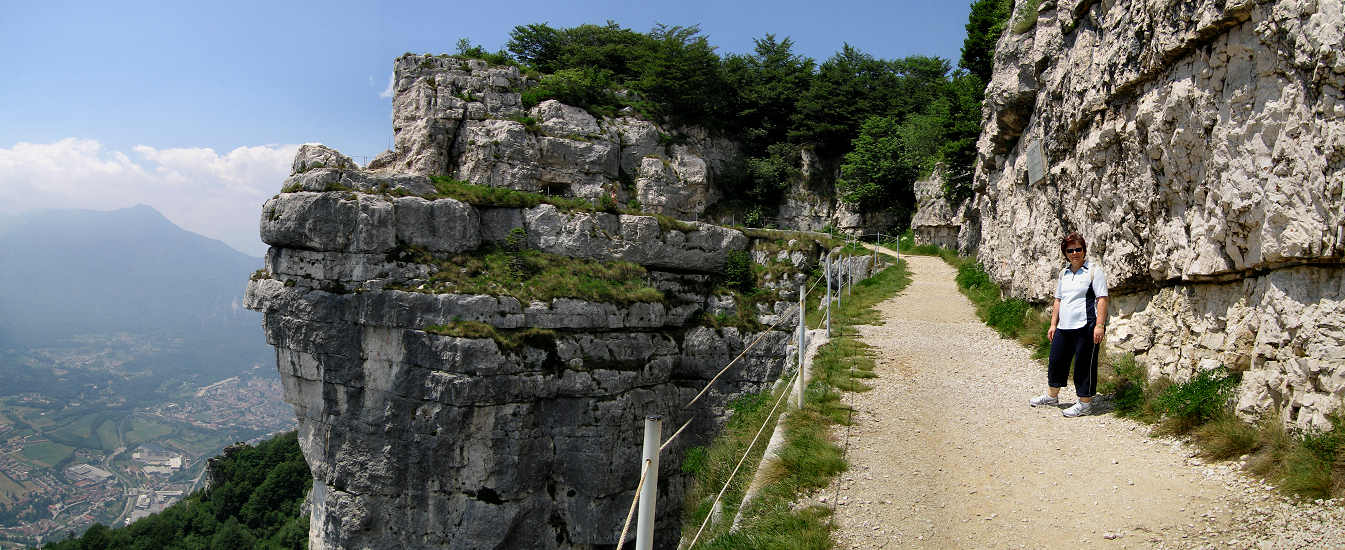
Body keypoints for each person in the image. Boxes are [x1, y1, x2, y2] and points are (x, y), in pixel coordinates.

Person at [1030, 232, 1109, 417]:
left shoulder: (1093, 272)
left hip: (1086, 325)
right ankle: (1052, 397)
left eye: (1078, 249)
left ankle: (1085, 403)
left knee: (1084, 365)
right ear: (1065, 253)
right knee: (1056, 361)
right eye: (1070, 250)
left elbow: (1102, 299)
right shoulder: (1063, 273)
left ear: (1084, 250)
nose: (1075, 253)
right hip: (1063, 326)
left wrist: (1099, 325)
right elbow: (1058, 300)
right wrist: (1053, 324)